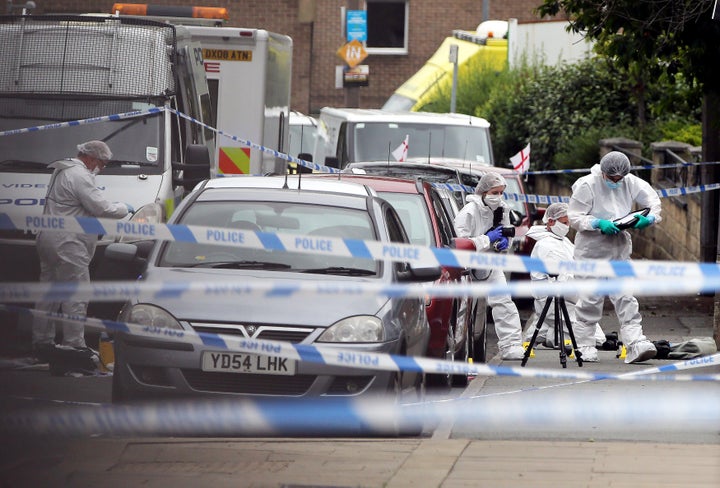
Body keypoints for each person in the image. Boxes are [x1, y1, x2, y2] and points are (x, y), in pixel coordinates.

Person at [32, 140, 133, 363]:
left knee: (48, 293)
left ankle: (42, 343)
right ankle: (74, 346)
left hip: (48, 237)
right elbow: (102, 208)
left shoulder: (62, 170)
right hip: (68, 242)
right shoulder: (80, 175)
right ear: (91, 158)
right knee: (76, 294)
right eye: (102, 163)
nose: (102, 168)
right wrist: (124, 208)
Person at [568, 151, 661, 363]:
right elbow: (574, 217)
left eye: (620, 179)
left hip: (618, 249)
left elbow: (653, 200)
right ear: (603, 173)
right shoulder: (586, 184)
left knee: (626, 296)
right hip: (591, 250)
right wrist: (597, 223)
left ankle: (636, 343)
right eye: (612, 179)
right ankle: (584, 345)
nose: (616, 181)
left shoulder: (630, 181)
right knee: (589, 298)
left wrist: (650, 218)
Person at [454, 172, 525, 360]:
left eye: (501, 192)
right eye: (495, 192)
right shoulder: (469, 212)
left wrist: (504, 244)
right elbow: (462, 243)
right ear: (484, 191)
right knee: (468, 314)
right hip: (469, 269)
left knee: (503, 302)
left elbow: (508, 234)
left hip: (491, 264)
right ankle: (463, 355)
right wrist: (487, 239)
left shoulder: (503, 209)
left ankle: (511, 346)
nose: (498, 197)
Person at [523, 202, 607, 348]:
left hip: (566, 298)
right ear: (550, 221)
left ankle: (543, 334)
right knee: (595, 338)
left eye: (569, 222)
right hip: (553, 300)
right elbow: (561, 279)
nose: (567, 226)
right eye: (564, 222)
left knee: (590, 332)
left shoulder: (562, 241)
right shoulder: (547, 245)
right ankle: (552, 337)